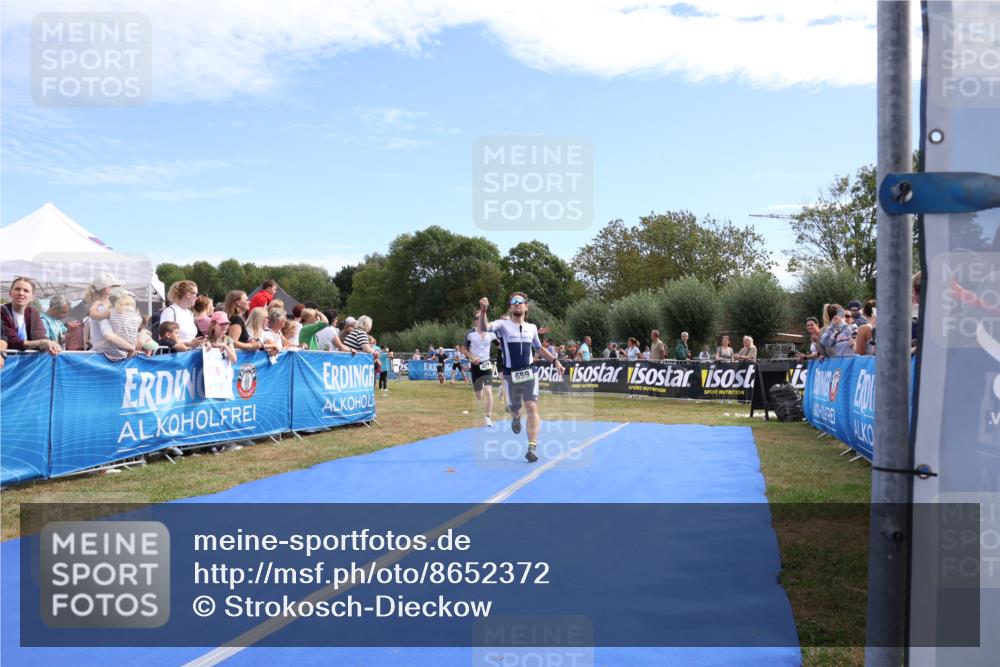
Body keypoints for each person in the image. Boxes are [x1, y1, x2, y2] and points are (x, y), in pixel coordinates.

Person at [477, 293, 565, 463]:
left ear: (526, 306)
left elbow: (539, 348)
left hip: (530, 373)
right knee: (515, 408)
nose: (517, 304)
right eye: (513, 302)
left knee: (532, 407)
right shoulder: (502, 325)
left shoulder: (532, 327)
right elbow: (484, 327)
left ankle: (532, 447)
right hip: (511, 375)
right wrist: (483, 311)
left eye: (520, 302)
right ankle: (516, 417)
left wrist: (555, 361)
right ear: (510, 306)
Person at [1, 277, 60, 355]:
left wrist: (50, 345)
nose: (21, 293)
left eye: (26, 291)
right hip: (7, 362)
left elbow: (40, 335)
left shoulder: (32, 312)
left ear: (32, 297)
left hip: (28, 362)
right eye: (17, 289)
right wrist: (42, 342)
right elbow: (12, 342)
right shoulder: (2, 312)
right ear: (10, 293)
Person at [460, 316, 499, 427]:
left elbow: (500, 345)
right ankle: (480, 394)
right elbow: (463, 349)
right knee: (479, 395)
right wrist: (472, 357)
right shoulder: (470, 334)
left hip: (486, 365)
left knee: (488, 390)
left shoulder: (491, 334)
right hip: (475, 366)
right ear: (475, 321)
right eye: (478, 318)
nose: (480, 320)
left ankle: (487, 417)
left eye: (483, 318)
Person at [93, 288, 142, 362]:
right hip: (126, 353)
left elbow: (94, 315)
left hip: (112, 350)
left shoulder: (112, 311)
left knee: (90, 352)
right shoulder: (137, 316)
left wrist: (95, 304)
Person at [160, 280, 200, 344]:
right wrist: (188, 344)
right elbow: (164, 339)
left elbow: (189, 338)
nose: (197, 297)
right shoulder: (170, 311)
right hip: (175, 353)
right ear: (188, 294)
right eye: (197, 294)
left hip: (189, 353)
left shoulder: (190, 313)